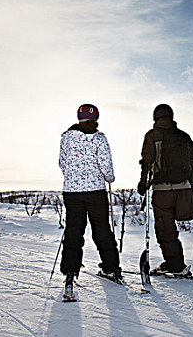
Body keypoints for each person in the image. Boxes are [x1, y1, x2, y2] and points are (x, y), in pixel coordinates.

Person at [59, 104, 122, 294]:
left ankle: (70, 271)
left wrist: (73, 177)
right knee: (101, 229)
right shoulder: (99, 139)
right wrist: (109, 177)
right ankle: (111, 268)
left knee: (73, 230)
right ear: (96, 118)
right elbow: (106, 166)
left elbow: (62, 163)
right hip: (95, 191)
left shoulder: (66, 138)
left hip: (72, 192)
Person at [138, 104, 193, 277]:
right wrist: (192, 184)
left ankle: (175, 265)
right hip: (184, 189)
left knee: (165, 229)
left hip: (162, 190)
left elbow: (147, 162)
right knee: (172, 225)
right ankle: (175, 263)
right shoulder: (183, 136)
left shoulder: (152, 136)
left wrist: (143, 183)